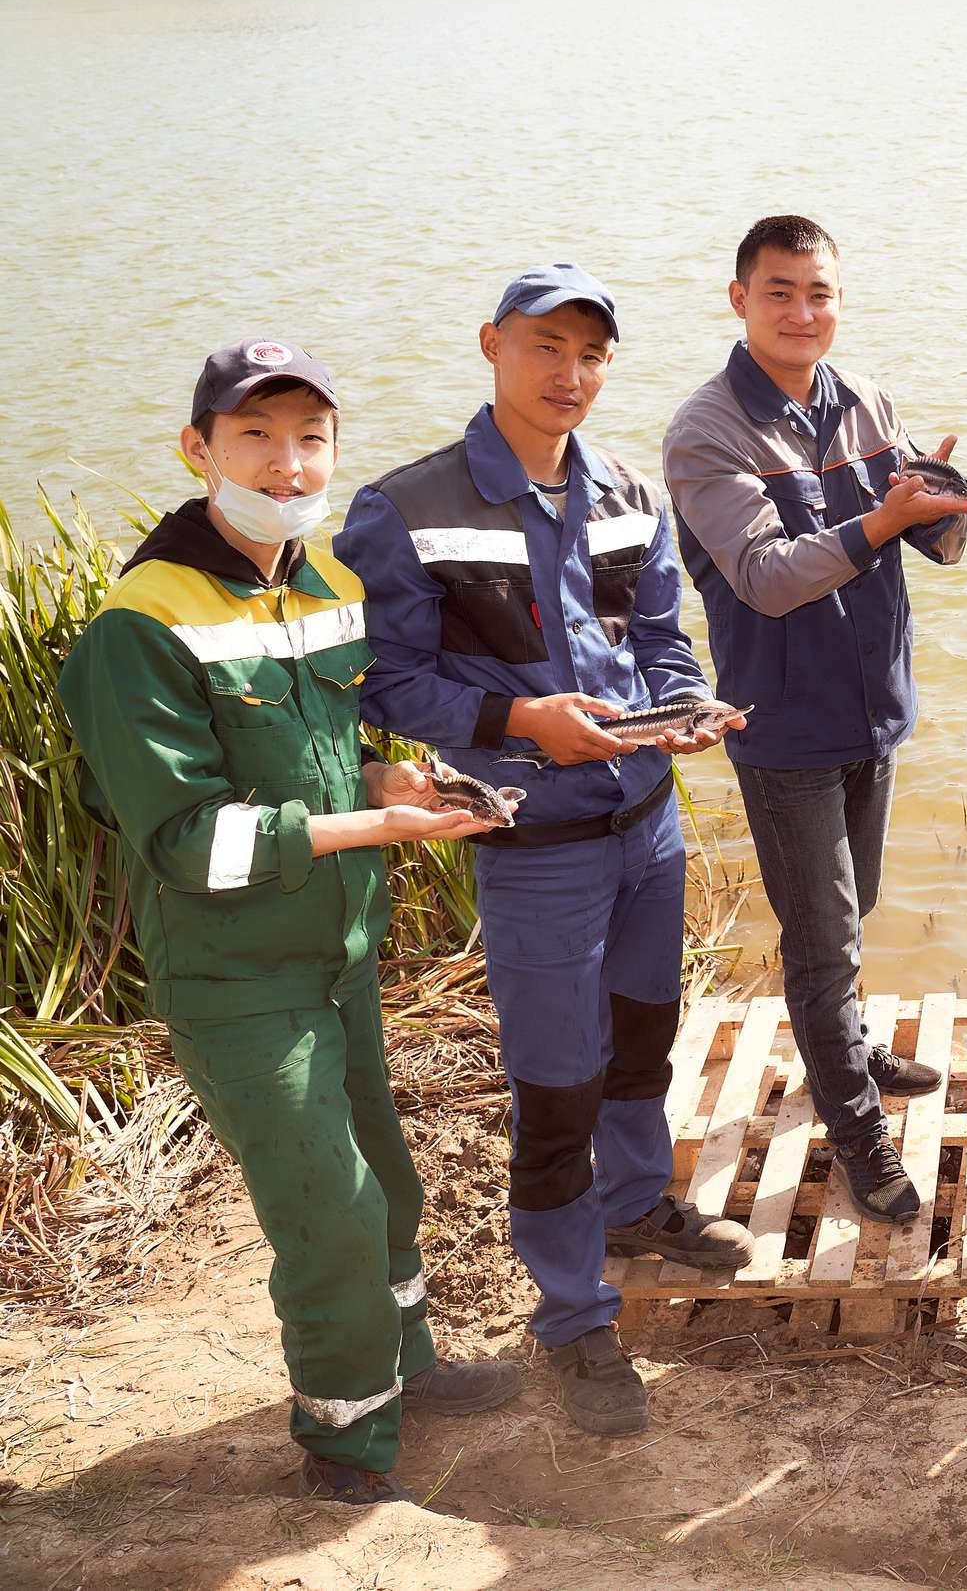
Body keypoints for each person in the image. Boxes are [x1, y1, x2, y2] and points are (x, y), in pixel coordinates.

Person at [61, 340, 518, 1504]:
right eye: (255, 434)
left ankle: (407, 1365)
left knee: (390, 1186)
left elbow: (317, 761)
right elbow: (185, 839)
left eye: (310, 435)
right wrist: (380, 830)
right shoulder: (141, 622)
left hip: (338, 957)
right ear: (197, 448)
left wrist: (388, 782)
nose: (287, 461)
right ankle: (346, 1442)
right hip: (238, 978)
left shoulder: (327, 584)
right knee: (332, 1213)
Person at [338, 265, 753, 1440]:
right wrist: (521, 720)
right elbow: (382, 680)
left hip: (646, 823)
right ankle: (573, 1314)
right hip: (536, 846)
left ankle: (634, 1204)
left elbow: (660, 638)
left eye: (591, 354)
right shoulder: (406, 506)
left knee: (643, 1037)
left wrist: (684, 708)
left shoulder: (627, 491)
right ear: (492, 345)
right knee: (557, 1080)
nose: (569, 374)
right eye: (545, 347)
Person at [661, 217, 967, 1225]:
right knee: (821, 937)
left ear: (840, 300)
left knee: (859, 904)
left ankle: (845, 1047)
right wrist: (885, 518)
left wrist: (944, 507)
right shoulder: (707, 429)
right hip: (784, 722)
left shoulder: (866, 401)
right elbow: (765, 578)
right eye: (780, 292)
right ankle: (856, 1129)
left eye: (820, 293)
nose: (802, 312)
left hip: (873, 706)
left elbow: (934, 547)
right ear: (739, 299)